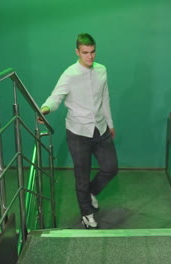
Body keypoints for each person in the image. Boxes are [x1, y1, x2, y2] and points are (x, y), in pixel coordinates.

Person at [39, 33, 118, 229]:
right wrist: (45, 109)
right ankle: (87, 213)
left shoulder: (102, 70)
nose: (90, 56)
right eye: (85, 53)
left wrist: (110, 123)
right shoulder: (70, 74)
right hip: (77, 132)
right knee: (81, 176)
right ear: (77, 52)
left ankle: (89, 193)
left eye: (92, 52)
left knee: (110, 168)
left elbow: (105, 98)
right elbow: (55, 97)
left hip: (100, 129)